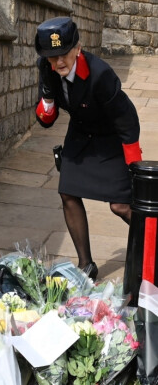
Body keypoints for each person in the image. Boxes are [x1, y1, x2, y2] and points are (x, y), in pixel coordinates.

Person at [34, 16, 142, 280]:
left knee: (121, 205)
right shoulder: (47, 68)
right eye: (52, 56)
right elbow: (47, 120)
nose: (59, 61)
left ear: (77, 48)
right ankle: (86, 266)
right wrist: (47, 98)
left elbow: (126, 119)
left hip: (110, 138)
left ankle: (153, 241)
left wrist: (134, 166)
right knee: (68, 192)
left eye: (64, 54)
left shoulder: (100, 73)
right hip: (81, 135)